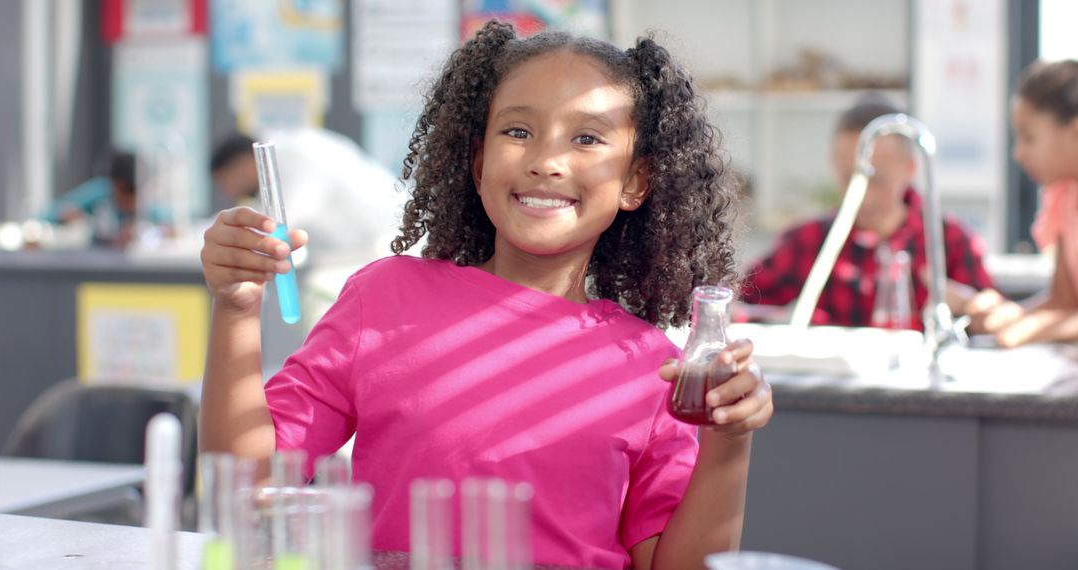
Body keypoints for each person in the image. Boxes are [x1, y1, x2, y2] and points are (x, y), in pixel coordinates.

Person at [199, 21, 772, 569]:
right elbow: (251, 485)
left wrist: (729, 442)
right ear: (477, 162)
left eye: (588, 139)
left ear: (634, 182)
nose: (546, 161)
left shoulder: (654, 368)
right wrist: (236, 309)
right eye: (517, 131)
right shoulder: (383, 298)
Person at [739, 94, 995, 330]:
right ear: (833, 164)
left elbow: (994, 321)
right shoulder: (810, 241)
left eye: (878, 180)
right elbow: (740, 304)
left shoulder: (949, 241)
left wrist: (969, 308)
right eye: (849, 178)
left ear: (910, 168)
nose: (863, 194)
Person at [960, 59, 1078, 346]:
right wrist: (1008, 316)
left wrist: (1033, 327)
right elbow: (1064, 302)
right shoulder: (1063, 196)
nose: (1018, 154)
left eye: (1029, 137)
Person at [209, 127, 406, 263]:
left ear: (242, 164)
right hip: (365, 253)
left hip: (390, 247)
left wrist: (199, 237)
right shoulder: (290, 154)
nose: (228, 192)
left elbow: (274, 227)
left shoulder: (297, 157)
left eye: (225, 182)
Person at [40, 151, 168, 247]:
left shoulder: (148, 206)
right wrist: (72, 217)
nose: (129, 202)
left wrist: (144, 233)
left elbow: (173, 228)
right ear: (115, 185)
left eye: (133, 196)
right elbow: (51, 213)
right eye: (124, 193)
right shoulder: (100, 193)